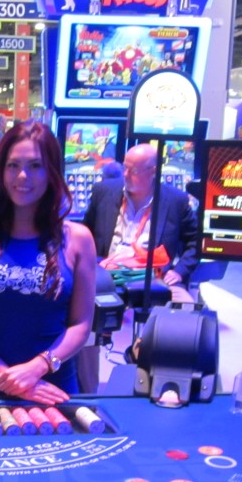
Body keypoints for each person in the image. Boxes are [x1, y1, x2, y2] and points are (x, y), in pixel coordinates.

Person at [0, 120, 96, 403]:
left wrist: (38, 367)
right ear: (1, 170)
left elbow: (81, 324)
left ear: (52, 171)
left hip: (52, 391)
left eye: (35, 166)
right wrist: (9, 379)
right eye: (13, 165)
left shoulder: (79, 239)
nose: (22, 176)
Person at [76, 141, 200, 393]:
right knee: (82, 314)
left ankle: (163, 382)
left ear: (153, 172)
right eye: (125, 167)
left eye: (133, 170)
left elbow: (195, 242)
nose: (125, 174)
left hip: (155, 275)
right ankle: (88, 392)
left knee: (186, 309)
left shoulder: (175, 200)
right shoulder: (104, 191)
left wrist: (180, 271)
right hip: (106, 274)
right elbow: (84, 233)